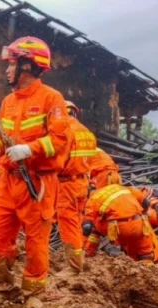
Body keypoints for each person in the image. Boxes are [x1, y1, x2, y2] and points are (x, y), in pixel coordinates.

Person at [0, 37, 71, 308]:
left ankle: (34, 291)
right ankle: (1, 288)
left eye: (11, 64)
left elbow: (60, 140)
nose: (7, 70)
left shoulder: (51, 98)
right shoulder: (7, 102)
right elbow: (3, 139)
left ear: (27, 66)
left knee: (36, 241)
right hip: (8, 182)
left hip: (37, 183)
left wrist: (29, 150)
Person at [56, 101, 97, 273]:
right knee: (77, 222)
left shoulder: (66, 132)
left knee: (68, 224)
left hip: (67, 184)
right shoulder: (87, 133)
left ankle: (74, 267)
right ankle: (79, 259)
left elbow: (57, 162)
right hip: (82, 183)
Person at [83, 184, 158, 264]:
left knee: (95, 225)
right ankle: (148, 267)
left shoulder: (93, 199)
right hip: (139, 224)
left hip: (119, 229)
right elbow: (145, 203)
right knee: (145, 253)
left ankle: (89, 253)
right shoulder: (120, 187)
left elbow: (87, 226)